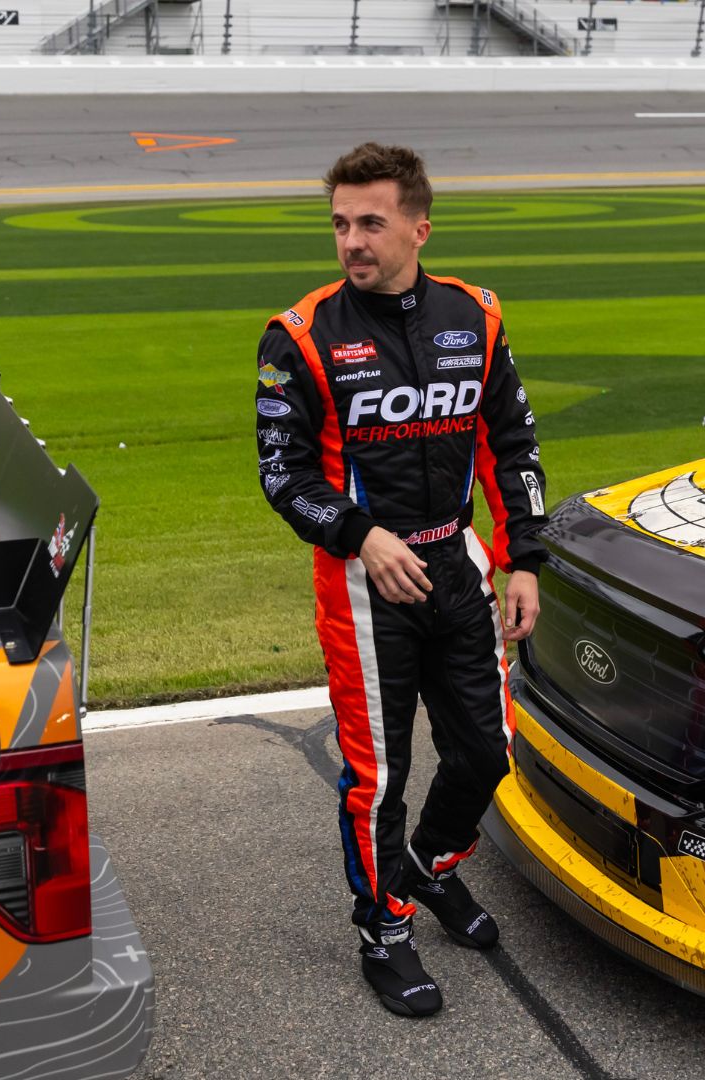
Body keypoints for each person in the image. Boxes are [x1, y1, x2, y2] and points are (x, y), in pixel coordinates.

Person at [255, 142, 546, 1017]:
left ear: (419, 226)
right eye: (340, 223)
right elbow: (283, 475)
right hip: (363, 586)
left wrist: (522, 555)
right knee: (378, 775)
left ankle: (428, 865)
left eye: (371, 223)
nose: (352, 240)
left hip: (458, 567)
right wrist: (361, 535)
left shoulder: (478, 316)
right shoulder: (299, 337)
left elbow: (511, 443)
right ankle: (383, 929)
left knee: (487, 754)